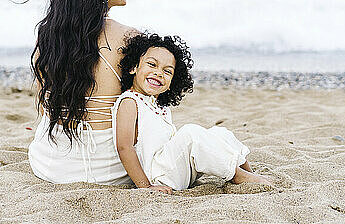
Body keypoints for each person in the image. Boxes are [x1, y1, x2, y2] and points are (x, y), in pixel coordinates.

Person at [28, 0, 137, 185]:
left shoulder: (49, 34)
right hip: (107, 170)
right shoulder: (129, 38)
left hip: (50, 162)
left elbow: (44, 106)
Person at [113, 33, 275, 193]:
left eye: (167, 71)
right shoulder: (130, 101)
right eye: (152, 64)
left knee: (220, 132)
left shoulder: (160, 106)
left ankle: (247, 172)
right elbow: (124, 147)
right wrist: (146, 186)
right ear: (133, 67)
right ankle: (237, 175)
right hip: (158, 176)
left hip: (178, 170)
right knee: (191, 133)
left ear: (171, 83)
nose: (159, 73)